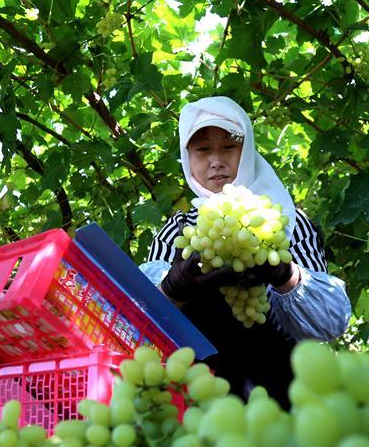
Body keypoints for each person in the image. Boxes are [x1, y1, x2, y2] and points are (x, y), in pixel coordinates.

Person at [138, 96, 351, 408]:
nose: (216, 161)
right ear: (187, 158)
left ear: (247, 150)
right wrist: (171, 289)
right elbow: (136, 320)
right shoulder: (178, 230)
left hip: (286, 400)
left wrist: (285, 275)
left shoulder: (287, 220)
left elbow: (329, 325)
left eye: (229, 147)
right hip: (199, 400)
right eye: (203, 150)